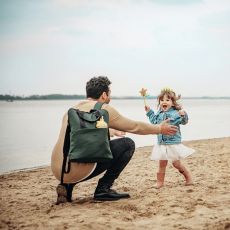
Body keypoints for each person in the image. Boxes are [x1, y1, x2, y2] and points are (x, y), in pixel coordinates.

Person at [51, 76, 178, 204]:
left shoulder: (71, 110)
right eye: (109, 93)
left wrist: (111, 131)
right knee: (127, 144)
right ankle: (103, 188)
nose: (110, 97)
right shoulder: (103, 108)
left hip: (59, 170)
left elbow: (80, 135)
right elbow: (135, 127)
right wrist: (159, 129)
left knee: (79, 150)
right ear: (104, 94)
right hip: (79, 171)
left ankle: (67, 186)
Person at [144, 87, 195, 189]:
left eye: (167, 100)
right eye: (162, 100)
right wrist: (150, 112)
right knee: (162, 164)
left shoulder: (175, 113)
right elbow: (154, 122)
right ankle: (160, 182)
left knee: (176, 164)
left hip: (172, 143)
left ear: (172, 102)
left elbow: (183, 122)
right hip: (162, 143)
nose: (164, 102)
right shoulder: (159, 114)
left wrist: (183, 114)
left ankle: (188, 177)